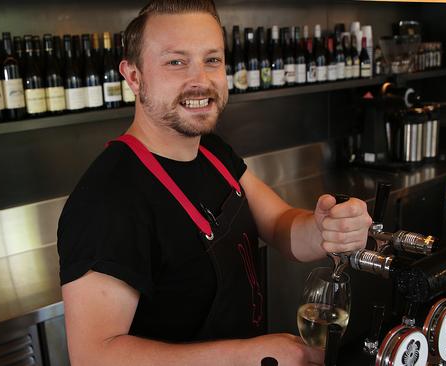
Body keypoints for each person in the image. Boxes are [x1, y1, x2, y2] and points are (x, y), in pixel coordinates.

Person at [57, 1, 372, 364]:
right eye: (176, 61)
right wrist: (252, 354)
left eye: (212, 60)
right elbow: (94, 356)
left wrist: (325, 229)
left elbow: (281, 225)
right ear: (133, 76)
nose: (201, 80)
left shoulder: (212, 152)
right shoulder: (108, 199)